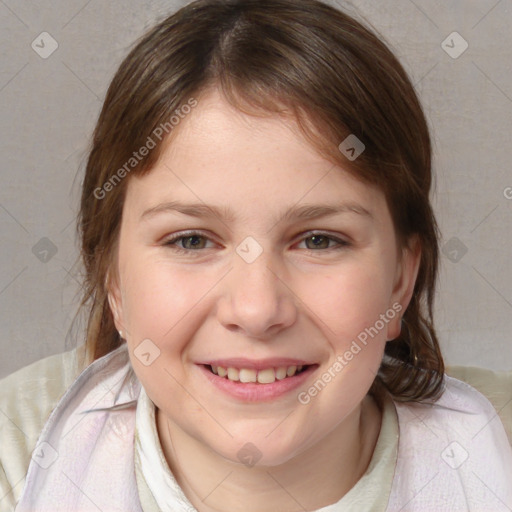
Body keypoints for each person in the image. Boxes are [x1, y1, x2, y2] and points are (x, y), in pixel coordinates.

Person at [1, 0, 511, 510]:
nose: (257, 310)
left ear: (401, 279)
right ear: (114, 279)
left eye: (318, 240)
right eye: (192, 240)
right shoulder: (17, 458)